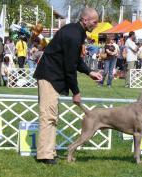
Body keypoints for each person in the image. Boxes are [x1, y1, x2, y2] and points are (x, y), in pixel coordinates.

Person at [33, 7, 102, 165]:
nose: (96, 25)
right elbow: (70, 67)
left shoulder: (75, 31)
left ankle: (49, 152)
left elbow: (74, 60)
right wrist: (76, 92)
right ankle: (45, 155)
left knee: (52, 116)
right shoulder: (73, 34)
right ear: (84, 20)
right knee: (48, 116)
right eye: (94, 22)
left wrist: (89, 71)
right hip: (50, 76)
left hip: (52, 76)